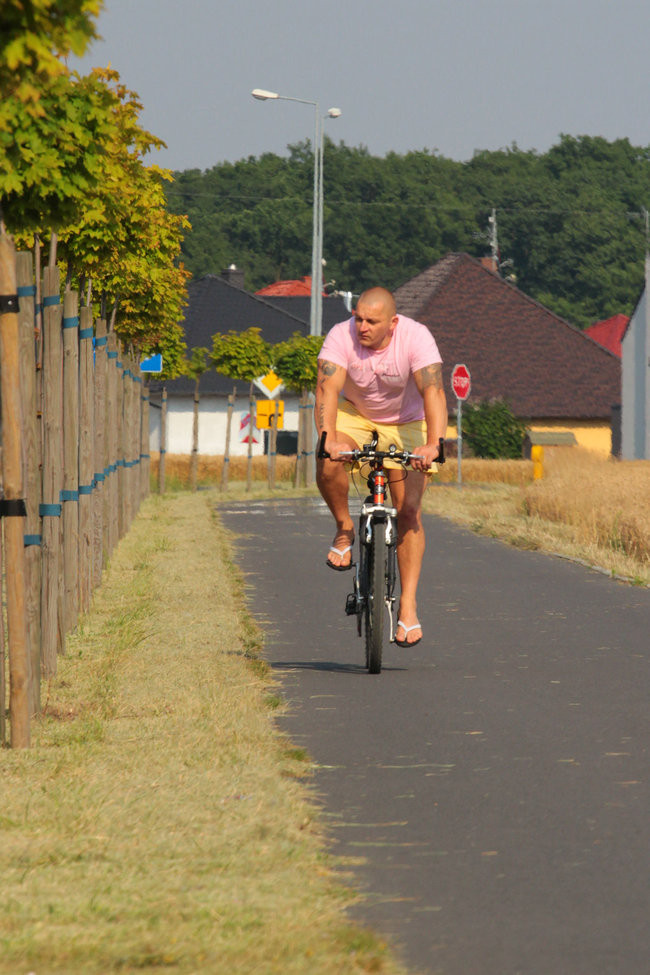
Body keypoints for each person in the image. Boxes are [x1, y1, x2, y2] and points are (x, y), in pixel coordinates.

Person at [315, 286, 447, 648]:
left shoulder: (416, 337)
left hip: (407, 423)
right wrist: (330, 440)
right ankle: (344, 528)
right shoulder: (340, 336)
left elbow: (433, 391)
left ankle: (407, 606)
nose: (362, 327)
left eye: (371, 321)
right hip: (356, 416)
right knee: (326, 459)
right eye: (358, 318)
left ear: (393, 322)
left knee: (409, 511)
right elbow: (327, 390)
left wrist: (433, 444)